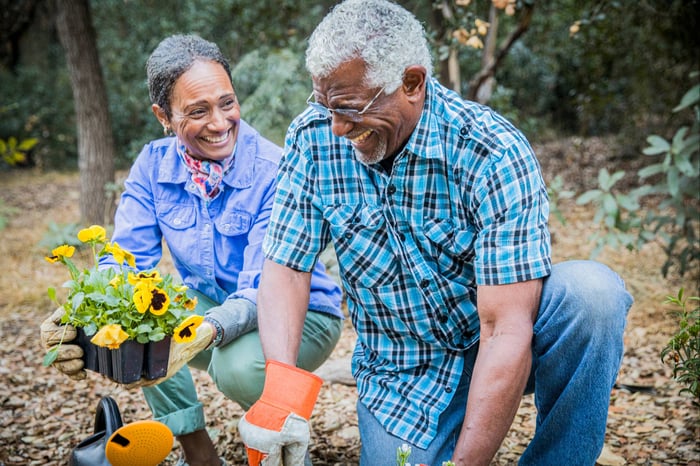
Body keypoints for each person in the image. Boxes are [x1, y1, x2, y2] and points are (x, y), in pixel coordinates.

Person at [238, 1, 635, 465]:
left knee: (593, 296)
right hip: (401, 371)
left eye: (348, 109)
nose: (338, 128)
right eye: (325, 105)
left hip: (506, 339)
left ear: (411, 83)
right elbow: (286, 265)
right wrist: (281, 394)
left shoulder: (490, 151)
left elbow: (504, 327)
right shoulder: (313, 139)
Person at [40, 34, 344, 466]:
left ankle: (280, 447)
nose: (220, 123)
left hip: (301, 313)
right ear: (163, 116)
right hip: (215, 306)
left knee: (236, 367)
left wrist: (211, 329)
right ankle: (200, 456)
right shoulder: (153, 165)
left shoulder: (275, 170)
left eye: (227, 103)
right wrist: (79, 314)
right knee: (139, 319)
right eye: (198, 111)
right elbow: (123, 263)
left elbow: (265, 286)